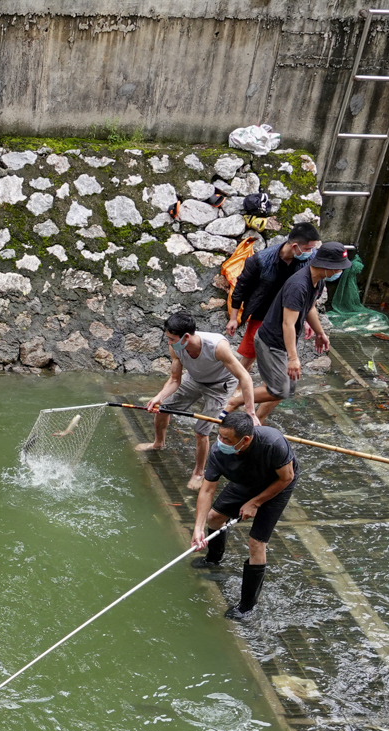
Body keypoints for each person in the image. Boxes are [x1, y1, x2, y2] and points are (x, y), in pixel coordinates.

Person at [190, 411, 297, 622]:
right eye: (220, 436)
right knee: (214, 518)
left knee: (256, 543)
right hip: (245, 482)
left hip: (276, 485)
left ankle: (247, 606)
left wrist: (256, 502)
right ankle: (213, 558)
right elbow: (207, 490)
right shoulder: (218, 452)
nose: (221, 442)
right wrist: (198, 527)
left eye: (227, 439)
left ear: (245, 439)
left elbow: (287, 477)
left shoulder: (273, 444)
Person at [135, 312, 259, 491]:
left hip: (220, 385)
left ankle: (199, 472)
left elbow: (244, 377)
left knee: (201, 430)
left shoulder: (217, 346)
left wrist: (251, 413)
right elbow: (175, 379)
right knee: (163, 408)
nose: (168, 342)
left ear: (186, 336)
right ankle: (158, 443)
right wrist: (159, 397)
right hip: (193, 379)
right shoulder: (175, 347)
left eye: (171, 339)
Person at [229, 240, 350, 421]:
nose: (339, 272)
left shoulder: (317, 281)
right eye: (338, 268)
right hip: (271, 342)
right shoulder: (298, 286)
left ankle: (257, 422)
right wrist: (293, 358)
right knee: (279, 389)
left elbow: (309, 308)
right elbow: (288, 324)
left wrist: (320, 332)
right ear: (327, 266)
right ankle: (235, 402)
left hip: (283, 342)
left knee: (287, 388)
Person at [225, 222, 322, 360]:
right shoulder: (260, 260)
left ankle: (268, 382)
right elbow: (241, 288)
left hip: (291, 312)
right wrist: (234, 319)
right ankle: (240, 381)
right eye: (307, 248)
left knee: (282, 356)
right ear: (295, 246)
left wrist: (308, 320)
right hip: (262, 312)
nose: (310, 253)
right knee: (250, 354)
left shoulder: (310, 261)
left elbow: (312, 292)